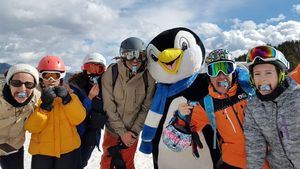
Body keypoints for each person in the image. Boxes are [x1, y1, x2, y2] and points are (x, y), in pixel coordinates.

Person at [177, 49, 262, 169]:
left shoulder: (251, 91)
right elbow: (175, 142)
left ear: (234, 70)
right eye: (215, 70)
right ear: (208, 75)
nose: (221, 76)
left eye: (227, 68)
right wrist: (181, 118)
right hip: (233, 163)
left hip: (266, 160)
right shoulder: (207, 104)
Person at [100, 37, 156, 169]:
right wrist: (121, 132)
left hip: (132, 132)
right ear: (123, 56)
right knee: (107, 163)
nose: (135, 60)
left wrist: (133, 133)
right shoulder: (111, 73)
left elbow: (146, 107)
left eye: (139, 55)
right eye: (130, 55)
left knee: (127, 163)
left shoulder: (148, 77)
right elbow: (109, 106)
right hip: (113, 130)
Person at [24, 55, 86, 169]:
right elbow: (31, 128)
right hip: (42, 153)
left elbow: (79, 118)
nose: (51, 80)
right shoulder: (34, 97)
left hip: (67, 151)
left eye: (55, 75)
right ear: (40, 77)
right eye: (46, 75)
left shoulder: (71, 95)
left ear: (61, 77)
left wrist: (67, 100)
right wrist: (44, 108)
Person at [243, 45, 299, 169]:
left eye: (268, 73)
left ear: (280, 75)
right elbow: (254, 145)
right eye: (257, 74)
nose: (262, 79)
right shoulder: (253, 106)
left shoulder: (297, 97)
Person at [68, 52, 107, 168]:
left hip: (92, 134)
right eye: (90, 68)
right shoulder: (75, 87)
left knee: (82, 163)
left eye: (98, 69)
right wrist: (89, 97)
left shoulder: (105, 87)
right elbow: (75, 113)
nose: (94, 72)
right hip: (76, 134)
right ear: (84, 69)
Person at [0, 63, 40, 169]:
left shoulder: (35, 98)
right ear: (9, 83)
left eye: (29, 84)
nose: (22, 89)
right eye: (16, 83)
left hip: (12, 148)